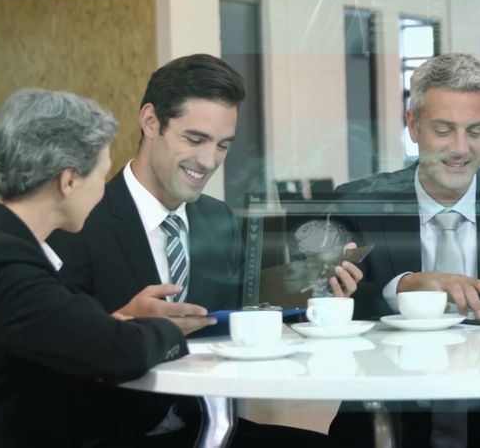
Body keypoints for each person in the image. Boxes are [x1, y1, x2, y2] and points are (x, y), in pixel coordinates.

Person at [49, 54, 362, 446]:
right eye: (194, 140)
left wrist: (317, 292)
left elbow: (242, 315)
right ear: (150, 122)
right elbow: (54, 359)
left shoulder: (217, 219)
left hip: (211, 429)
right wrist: (123, 324)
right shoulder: (78, 221)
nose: (208, 160)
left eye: (222, 145)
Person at [0, 89, 201, 448]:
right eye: (101, 176)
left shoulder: (0, 245)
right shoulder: (1, 262)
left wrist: (122, 319)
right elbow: (119, 354)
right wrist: (170, 330)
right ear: (68, 181)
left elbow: (54, 334)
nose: (103, 192)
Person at [329, 52, 480, 448]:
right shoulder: (357, 204)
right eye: (444, 130)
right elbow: (329, 308)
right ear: (413, 125)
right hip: (386, 424)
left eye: (475, 131)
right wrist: (404, 286)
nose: (460, 148)